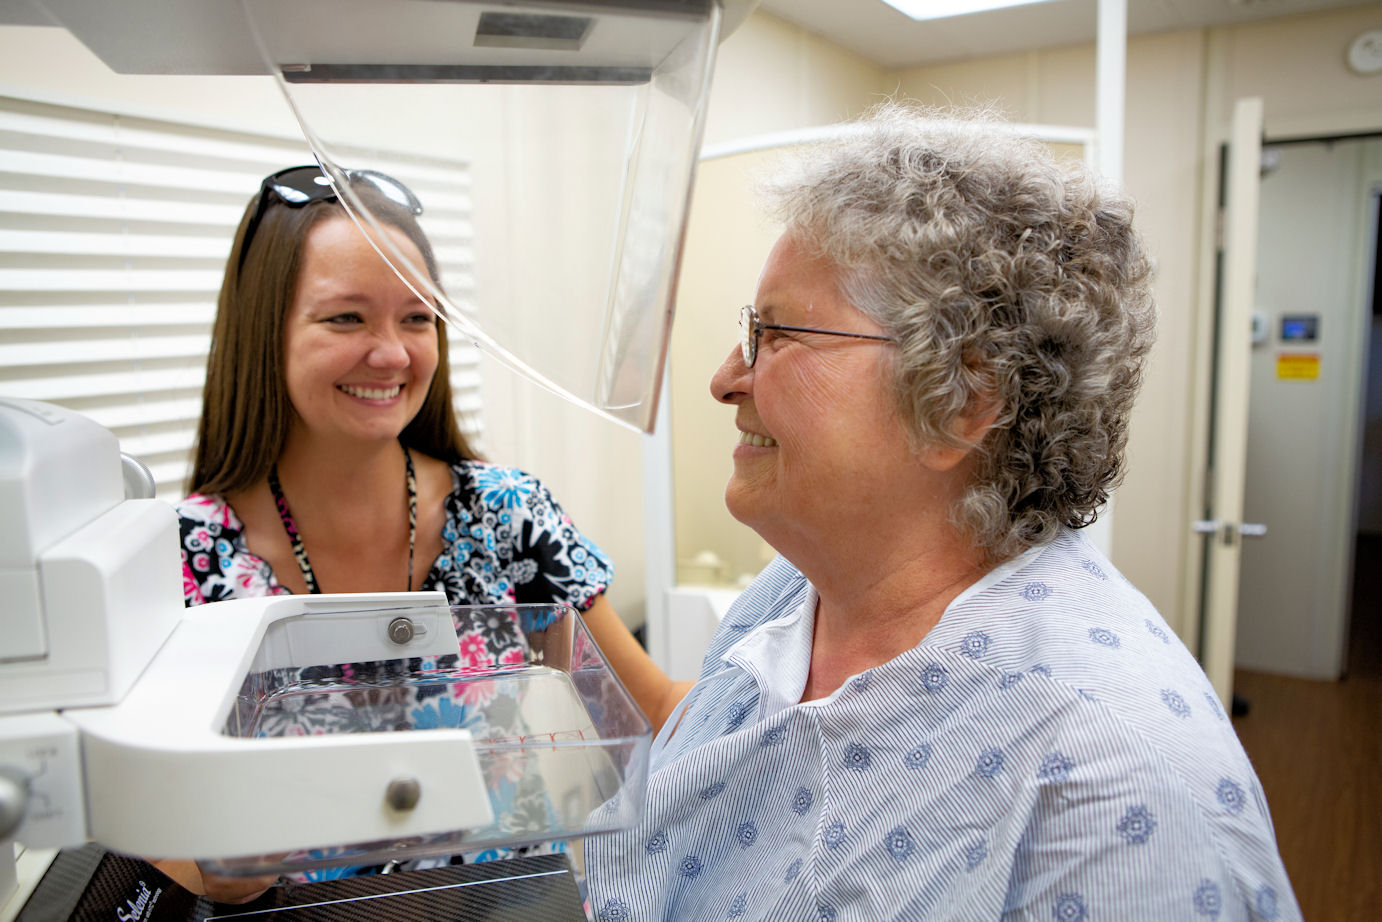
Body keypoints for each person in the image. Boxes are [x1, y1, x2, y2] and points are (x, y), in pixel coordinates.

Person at [583, 104, 1300, 921]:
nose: (724, 378)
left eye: (777, 333)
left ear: (965, 402)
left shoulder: (1111, 787)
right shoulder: (799, 592)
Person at [166, 165, 685, 902]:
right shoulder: (185, 560)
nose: (392, 354)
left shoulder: (508, 514)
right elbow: (162, 855)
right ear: (264, 331)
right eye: (346, 318)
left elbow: (656, 711)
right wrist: (223, 868)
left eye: (417, 317)